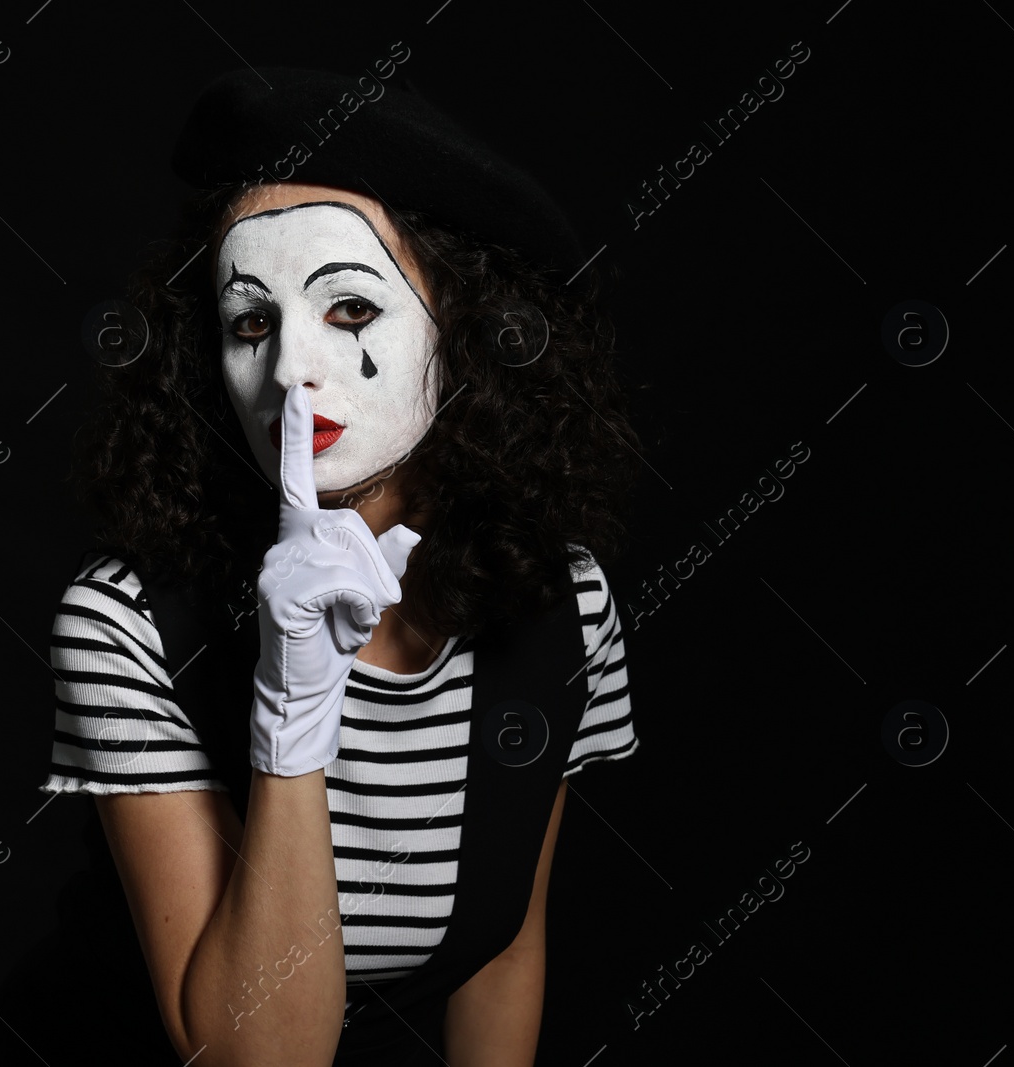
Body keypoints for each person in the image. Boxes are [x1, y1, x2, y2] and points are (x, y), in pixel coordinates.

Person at [38, 66, 641, 1066]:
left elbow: (500, 947)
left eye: (350, 310)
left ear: (467, 333)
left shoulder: (563, 607)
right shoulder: (124, 624)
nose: (287, 370)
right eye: (250, 321)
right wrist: (290, 709)